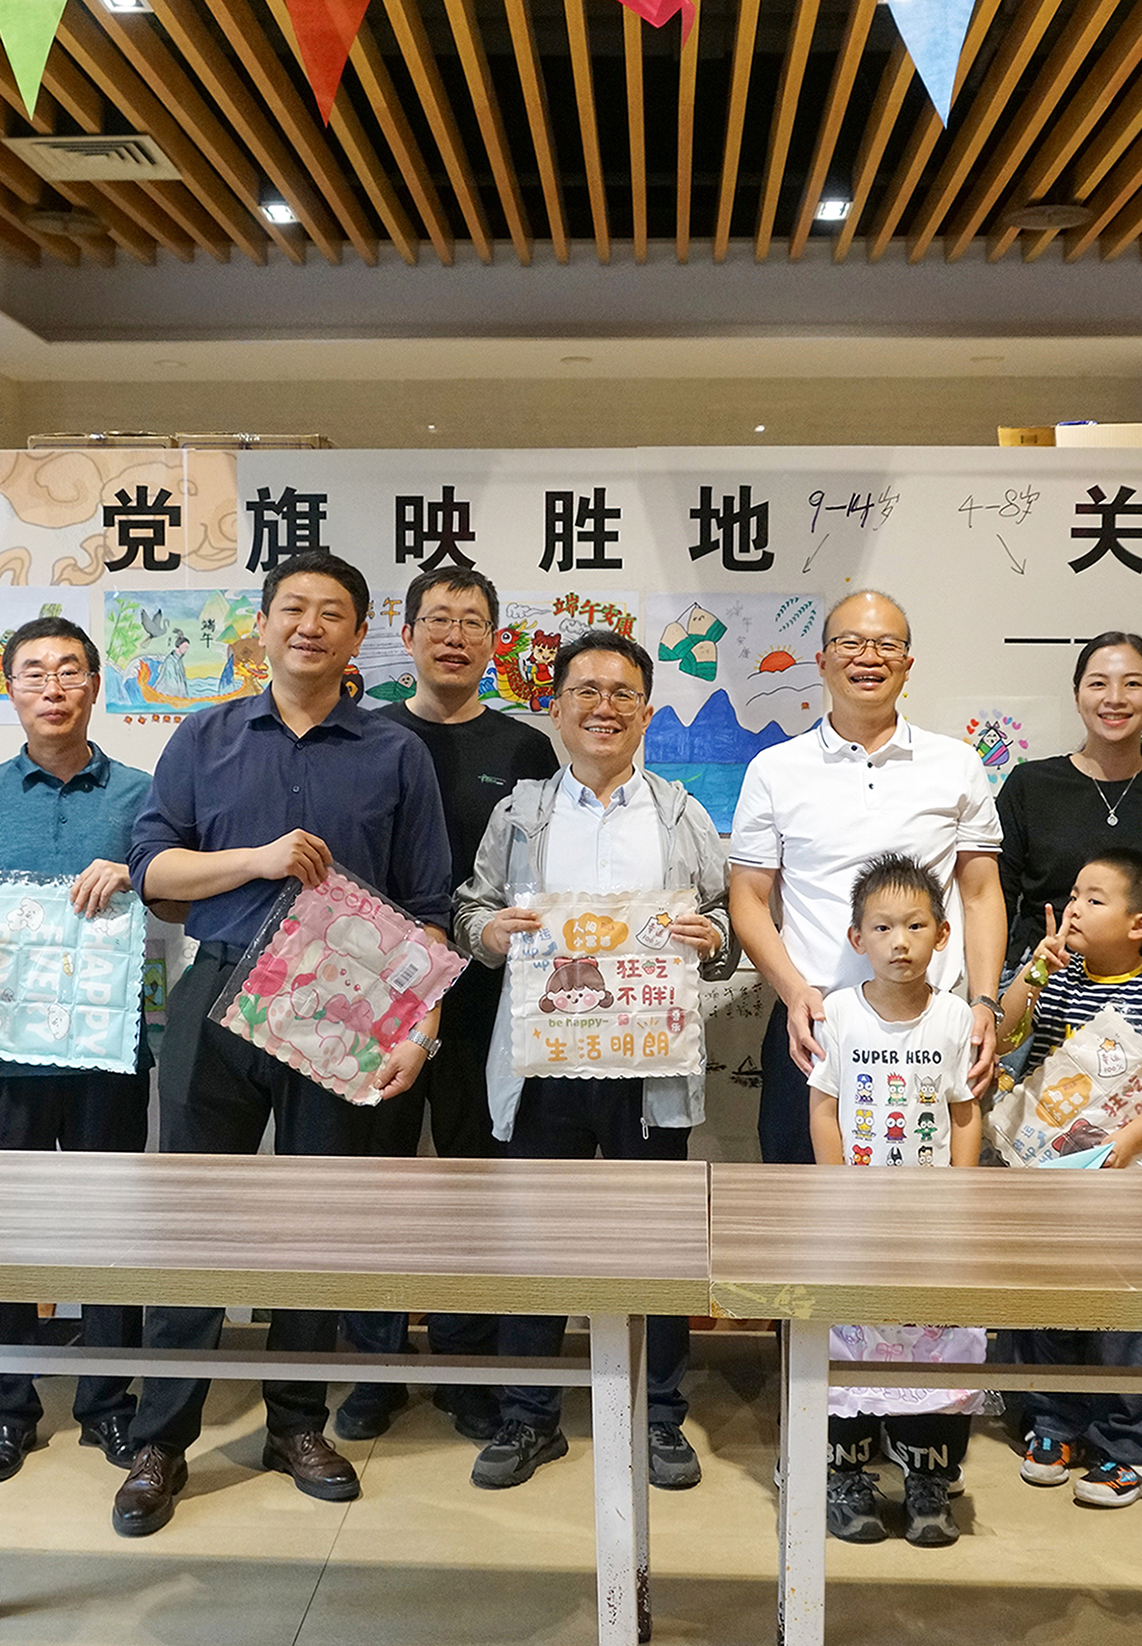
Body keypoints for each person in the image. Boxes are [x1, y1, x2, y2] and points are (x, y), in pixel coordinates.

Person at [118, 550, 454, 1537]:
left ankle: (296, 1424)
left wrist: (422, 1028)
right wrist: (257, 860)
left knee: (317, 1217)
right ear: (261, 625)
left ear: (359, 636)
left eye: (331, 612)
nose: (310, 625)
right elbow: (151, 871)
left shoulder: (395, 753)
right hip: (218, 987)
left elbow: (428, 905)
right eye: (292, 608)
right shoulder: (205, 735)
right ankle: (160, 1439)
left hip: (344, 1003)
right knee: (193, 1219)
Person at [451, 629, 736, 1493]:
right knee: (534, 1243)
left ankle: (658, 1414)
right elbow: (470, 908)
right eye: (585, 691)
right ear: (556, 708)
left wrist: (712, 935)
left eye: (621, 694)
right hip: (543, 1065)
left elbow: (726, 922)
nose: (603, 707)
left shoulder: (681, 814)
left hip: (646, 1070)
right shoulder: (522, 813)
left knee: (658, 1245)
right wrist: (490, 932)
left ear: (645, 713)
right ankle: (528, 1415)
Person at [341, 565, 559, 1445]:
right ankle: (375, 1365)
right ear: (406, 635)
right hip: (374, 995)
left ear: (494, 641)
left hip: (489, 1002)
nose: (454, 636)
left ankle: (469, 1366)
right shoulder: (365, 736)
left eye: (472, 622)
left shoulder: (526, 750)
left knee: (478, 1182)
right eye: (437, 619)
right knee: (376, 1183)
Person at [0, 615, 157, 1485]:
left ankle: (107, 1402)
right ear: (9, 690)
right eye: (33, 672)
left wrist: (134, 871)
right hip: (1, 1054)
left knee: (111, 1232)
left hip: (107, 1052)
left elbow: (171, 885)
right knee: (5, 1234)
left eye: (70, 671)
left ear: (95, 687)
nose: (53, 687)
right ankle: (8, 1406)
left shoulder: (140, 791)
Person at [731, 590, 1006, 1166]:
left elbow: (981, 894)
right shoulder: (775, 769)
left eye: (887, 645)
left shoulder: (956, 763)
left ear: (908, 664)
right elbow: (749, 900)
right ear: (822, 660)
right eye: (850, 642)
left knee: (935, 1206)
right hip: (813, 1026)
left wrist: (984, 1003)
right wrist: (794, 993)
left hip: (931, 1029)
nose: (869, 657)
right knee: (798, 1199)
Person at [991, 849, 1142, 1509]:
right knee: (1046, 1302)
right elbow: (1003, 1039)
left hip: (1128, 1185)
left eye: (1094, 899)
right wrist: (1030, 974)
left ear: (1139, 923)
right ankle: (1051, 1423)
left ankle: (1133, 1447)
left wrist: (1126, 1141)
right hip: (1051, 1178)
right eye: (1072, 895)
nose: (1074, 909)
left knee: (1129, 1313)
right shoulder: (1058, 977)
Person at [807, 852, 985, 1547]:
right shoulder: (838, 1014)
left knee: (935, 1342)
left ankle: (928, 1478)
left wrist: (959, 1196)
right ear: (857, 938)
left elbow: (964, 1112)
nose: (899, 941)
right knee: (847, 1340)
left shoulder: (953, 1018)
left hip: (931, 1223)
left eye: (915, 925)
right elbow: (824, 1108)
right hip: (854, 1220)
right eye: (882, 927)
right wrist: (834, 1191)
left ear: (943, 934)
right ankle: (846, 1477)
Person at [996, 632, 1142, 968]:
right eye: (1098, 684)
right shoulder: (1030, 784)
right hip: (1038, 974)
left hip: (1139, 983)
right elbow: (997, 899)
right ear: (1077, 695)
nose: (1115, 698)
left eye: (1132, 684)